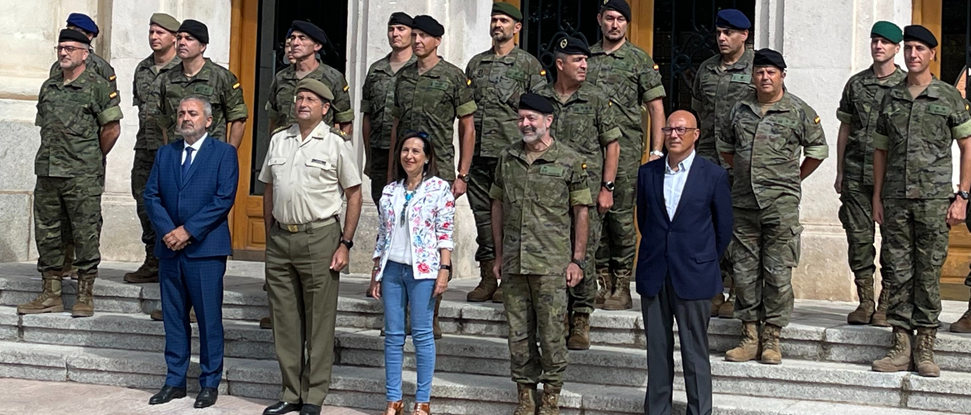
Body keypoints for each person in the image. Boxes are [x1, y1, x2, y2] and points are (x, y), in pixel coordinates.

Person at [870, 25, 971, 378]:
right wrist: (877, 197)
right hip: (896, 200)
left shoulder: (947, 96)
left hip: (933, 201)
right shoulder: (890, 98)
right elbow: (880, 151)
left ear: (932, 55)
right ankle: (900, 344)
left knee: (927, 273)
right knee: (896, 273)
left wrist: (963, 196)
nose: (913, 55)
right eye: (909, 48)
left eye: (920, 49)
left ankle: (926, 346)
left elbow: (966, 146)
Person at [717, 48, 828, 365]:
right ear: (753, 76)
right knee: (745, 273)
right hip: (744, 205)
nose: (765, 77)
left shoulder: (798, 111)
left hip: (780, 207)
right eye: (760, 72)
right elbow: (726, 148)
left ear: (782, 75)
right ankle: (749, 336)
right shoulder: (740, 110)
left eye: (771, 72)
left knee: (778, 275)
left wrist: (793, 179)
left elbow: (818, 150)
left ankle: (772, 339)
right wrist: (744, 172)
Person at [259, 79, 363, 415]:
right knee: (285, 320)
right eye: (299, 97)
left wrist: (345, 243)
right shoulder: (279, 140)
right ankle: (291, 392)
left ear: (325, 108)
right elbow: (269, 188)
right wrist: (269, 232)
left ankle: (314, 395)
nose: (302, 103)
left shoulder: (335, 144)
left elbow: (354, 194)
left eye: (310, 99)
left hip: (319, 237)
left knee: (318, 320)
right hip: (281, 238)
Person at [492, 93, 590, 415]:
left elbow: (581, 211)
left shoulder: (569, 160)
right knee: (518, 336)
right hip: (514, 263)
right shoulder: (508, 158)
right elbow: (497, 204)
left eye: (532, 118)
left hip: (551, 264)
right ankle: (525, 395)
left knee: (551, 334)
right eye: (521, 118)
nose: (525, 123)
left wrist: (577, 259)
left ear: (548, 121)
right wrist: (497, 255)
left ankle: (551, 397)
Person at [17, 29, 122, 318]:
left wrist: (90, 158)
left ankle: (84, 294)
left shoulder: (98, 86)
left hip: (82, 174)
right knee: (48, 233)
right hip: (49, 172)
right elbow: (45, 126)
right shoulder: (49, 87)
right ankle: (50, 293)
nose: (64, 53)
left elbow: (111, 129)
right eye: (60, 48)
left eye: (71, 48)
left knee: (85, 233)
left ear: (85, 53)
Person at [143, 96, 239, 409]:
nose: (186, 118)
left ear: (208, 121)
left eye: (193, 113)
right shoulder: (165, 154)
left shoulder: (224, 154)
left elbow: (223, 199)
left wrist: (188, 230)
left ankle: (209, 382)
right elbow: (152, 195)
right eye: (182, 113)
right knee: (174, 318)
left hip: (205, 251)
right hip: (170, 250)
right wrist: (169, 231)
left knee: (209, 319)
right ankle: (175, 380)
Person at [637, 110, 732, 415]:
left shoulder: (713, 175)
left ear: (696, 134)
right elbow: (644, 219)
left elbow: (723, 229)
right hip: (655, 272)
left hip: (694, 274)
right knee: (657, 351)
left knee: (695, 352)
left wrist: (701, 260)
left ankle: (700, 410)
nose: (674, 135)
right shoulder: (647, 173)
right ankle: (657, 410)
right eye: (669, 129)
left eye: (681, 129)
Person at [389, 14, 477, 337]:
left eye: (424, 37)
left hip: (439, 170)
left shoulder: (453, 78)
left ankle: (430, 312)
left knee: (437, 241)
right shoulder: (403, 78)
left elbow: (468, 128)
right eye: (414, 36)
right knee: (402, 238)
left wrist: (463, 174)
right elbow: (397, 127)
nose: (417, 42)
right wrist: (390, 173)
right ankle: (400, 312)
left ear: (437, 41)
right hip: (407, 167)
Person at [535, 36, 621, 350]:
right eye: (577, 60)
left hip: (586, 192)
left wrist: (607, 188)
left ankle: (581, 317)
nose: (584, 65)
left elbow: (612, 145)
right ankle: (555, 316)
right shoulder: (540, 98)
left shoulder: (597, 99)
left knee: (583, 252)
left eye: (586, 60)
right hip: (547, 195)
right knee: (551, 254)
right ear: (560, 64)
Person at [586, 0, 666, 311]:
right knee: (593, 217)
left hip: (627, 151)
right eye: (609, 18)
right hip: (589, 152)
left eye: (621, 19)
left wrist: (656, 151)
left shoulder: (638, 60)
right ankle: (601, 280)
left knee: (620, 219)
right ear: (600, 20)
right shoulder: (587, 58)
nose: (615, 24)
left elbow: (656, 107)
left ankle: (621, 284)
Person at [465, 2, 546, 304]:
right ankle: (488, 276)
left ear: (517, 27)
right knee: (482, 219)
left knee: (512, 218)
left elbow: (539, 112)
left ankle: (509, 279)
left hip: (512, 155)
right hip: (479, 156)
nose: (497, 25)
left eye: (503, 20)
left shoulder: (527, 65)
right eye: (494, 19)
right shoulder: (476, 64)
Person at [368, 131, 455, 415]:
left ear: (427, 157)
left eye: (416, 151)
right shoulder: (390, 191)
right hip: (393, 269)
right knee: (393, 335)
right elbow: (383, 233)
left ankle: (422, 401)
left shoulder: (439, 189)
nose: (410, 156)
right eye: (406, 150)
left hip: (424, 271)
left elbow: (445, 232)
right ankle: (393, 399)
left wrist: (444, 268)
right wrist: (376, 270)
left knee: (421, 334)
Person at [835, 21, 906, 326]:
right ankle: (865, 301)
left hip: (892, 179)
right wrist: (839, 171)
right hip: (855, 174)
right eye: (875, 41)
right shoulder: (856, 84)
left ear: (896, 48)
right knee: (859, 239)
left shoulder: (906, 86)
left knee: (893, 241)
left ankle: (886, 303)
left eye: (885, 43)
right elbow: (845, 128)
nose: (879, 46)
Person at [690, 8, 754, 318]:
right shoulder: (706, 69)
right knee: (708, 225)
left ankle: (738, 292)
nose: (721, 38)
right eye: (718, 32)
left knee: (739, 227)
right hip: (708, 159)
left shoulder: (758, 68)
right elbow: (698, 112)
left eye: (728, 33)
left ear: (744, 35)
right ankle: (713, 289)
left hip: (741, 162)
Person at [48, 13, 118, 282]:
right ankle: (63, 260)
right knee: (60, 214)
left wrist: (93, 153)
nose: (69, 38)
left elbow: (108, 121)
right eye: (68, 31)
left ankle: (82, 263)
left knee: (85, 214)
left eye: (76, 33)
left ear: (89, 39)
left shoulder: (101, 69)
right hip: (58, 156)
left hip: (86, 155)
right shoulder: (57, 69)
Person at [124, 13, 182, 285]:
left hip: (174, 150)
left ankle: (172, 259)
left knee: (173, 206)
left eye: (160, 32)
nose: (154, 37)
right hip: (145, 147)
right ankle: (152, 258)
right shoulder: (142, 69)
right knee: (144, 202)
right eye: (151, 32)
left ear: (174, 37)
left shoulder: (183, 69)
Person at [152, 19, 248, 147]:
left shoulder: (221, 77)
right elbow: (164, 122)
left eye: (189, 38)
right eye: (179, 38)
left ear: (202, 46)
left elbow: (238, 119)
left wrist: (228, 154)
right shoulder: (166, 78)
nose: (182, 43)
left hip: (210, 153)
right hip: (177, 153)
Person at [362, 12, 416, 207]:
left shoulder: (418, 68)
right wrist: (368, 155)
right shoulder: (376, 70)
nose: (395, 34)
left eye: (401, 29)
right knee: (383, 205)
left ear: (412, 33)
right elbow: (367, 115)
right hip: (380, 150)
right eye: (391, 29)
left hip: (410, 152)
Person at [266, 21, 353, 134]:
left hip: (320, 146)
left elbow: (344, 122)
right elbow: (273, 119)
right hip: (286, 145)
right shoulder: (281, 78)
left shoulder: (333, 78)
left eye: (302, 38)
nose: (295, 43)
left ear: (317, 46)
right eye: (293, 38)